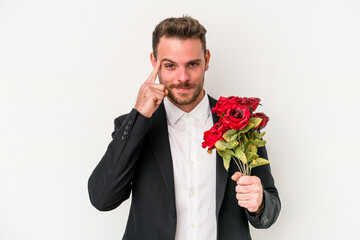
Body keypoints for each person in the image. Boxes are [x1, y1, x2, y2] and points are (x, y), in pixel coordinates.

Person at [88, 16, 280, 240]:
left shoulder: (240, 123)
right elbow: (102, 199)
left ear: (206, 60)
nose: (183, 77)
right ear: (154, 62)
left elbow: (271, 207)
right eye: (170, 66)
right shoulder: (132, 126)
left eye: (192, 64)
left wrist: (260, 203)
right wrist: (139, 114)